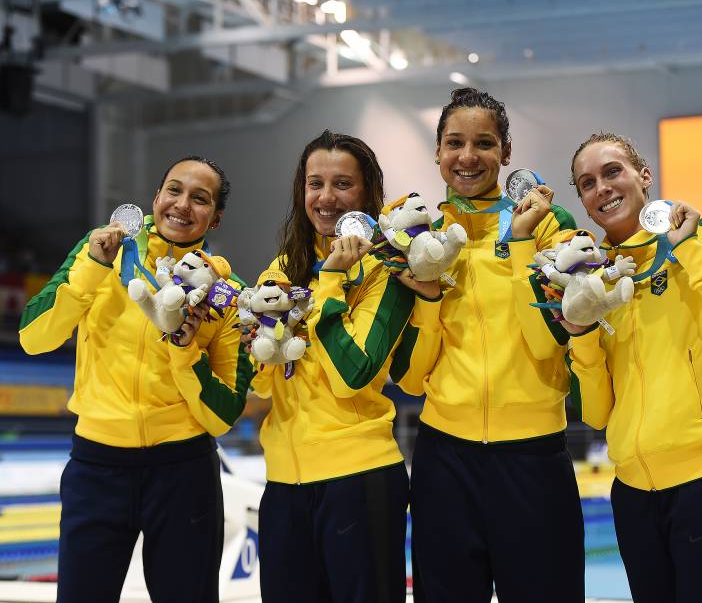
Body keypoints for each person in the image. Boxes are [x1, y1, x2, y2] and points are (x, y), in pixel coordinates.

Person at [18, 156, 252, 602]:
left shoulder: (227, 294)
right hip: (97, 466)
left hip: (183, 472)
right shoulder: (100, 252)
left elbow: (224, 415)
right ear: (155, 198)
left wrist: (186, 353)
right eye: (174, 190)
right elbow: (34, 337)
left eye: (199, 199)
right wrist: (91, 267)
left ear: (215, 218)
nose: (182, 205)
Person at [564, 132, 702, 602]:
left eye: (612, 171)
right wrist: (580, 335)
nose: (601, 187)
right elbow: (596, 413)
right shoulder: (590, 278)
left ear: (644, 175)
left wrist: (688, 253)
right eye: (587, 183)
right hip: (632, 493)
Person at [391, 88, 585, 602]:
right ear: (437, 152)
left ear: (506, 152)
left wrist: (520, 240)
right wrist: (429, 298)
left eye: (484, 143)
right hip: (444, 462)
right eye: (454, 143)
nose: (468, 156)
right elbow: (410, 379)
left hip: (533, 459)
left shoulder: (548, 227)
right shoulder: (419, 238)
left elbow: (549, 346)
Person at [249, 130, 414, 603]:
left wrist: (329, 284)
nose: (326, 198)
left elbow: (354, 374)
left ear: (367, 194)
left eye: (342, 184)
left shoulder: (389, 271)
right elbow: (263, 385)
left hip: (358, 479)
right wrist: (257, 347)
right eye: (314, 183)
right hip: (283, 483)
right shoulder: (281, 269)